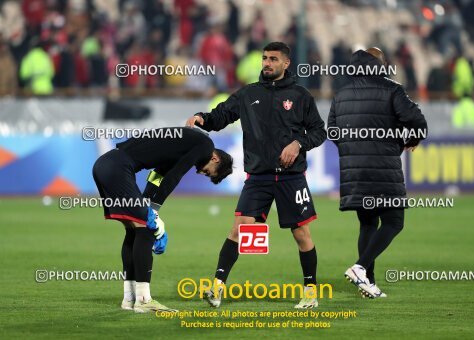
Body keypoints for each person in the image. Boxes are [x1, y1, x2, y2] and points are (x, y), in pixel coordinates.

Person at [186, 42, 327, 309]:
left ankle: (310, 292)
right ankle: (216, 289)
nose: (267, 63)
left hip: (291, 177)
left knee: (301, 234)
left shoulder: (300, 96)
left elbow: (319, 131)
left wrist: (298, 144)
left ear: (286, 63)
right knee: (240, 228)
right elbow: (221, 116)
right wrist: (202, 118)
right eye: (264, 58)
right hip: (259, 177)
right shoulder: (248, 94)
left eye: (273, 59)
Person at [92, 127, 233, 313]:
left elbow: (157, 174)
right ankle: (143, 300)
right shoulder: (206, 145)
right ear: (215, 159)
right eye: (209, 172)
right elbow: (176, 175)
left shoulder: (183, 145)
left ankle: (130, 298)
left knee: (134, 229)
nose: (201, 173)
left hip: (105, 164)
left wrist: (148, 203)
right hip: (118, 167)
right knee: (147, 229)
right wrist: (154, 210)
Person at [328, 47, 427, 298]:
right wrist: (411, 139)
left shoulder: (341, 94)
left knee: (368, 223)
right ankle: (360, 268)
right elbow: (416, 121)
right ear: (379, 63)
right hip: (383, 167)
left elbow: (333, 130)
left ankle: (367, 283)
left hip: (355, 171)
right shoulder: (392, 89)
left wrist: (353, 150)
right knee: (394, 221)